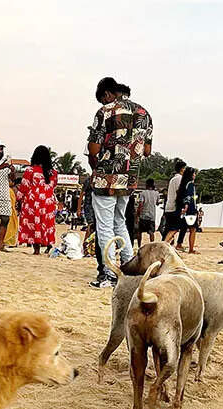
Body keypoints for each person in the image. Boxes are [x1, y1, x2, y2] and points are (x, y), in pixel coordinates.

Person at [88, 77, 152, 286]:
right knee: (120, 223)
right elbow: (148, 151)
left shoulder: (106, 111)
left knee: (105, 226)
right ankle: (129, 268)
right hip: (130, 177)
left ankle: (108, 273)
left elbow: (94, 149)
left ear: (106, 94)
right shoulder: (144, 113)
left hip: (106, 176)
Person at [17, 145, 58, 255]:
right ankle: (48, 244)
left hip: (33, 202)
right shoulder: (53, 173)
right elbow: (53, 187)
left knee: (35, 224)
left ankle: (36, 249)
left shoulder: (30, 171)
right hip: (48, 203)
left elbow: (24, 187)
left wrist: (18, 199)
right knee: (46, 223)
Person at [162, 160, 186, 248]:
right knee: (174, 228)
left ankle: (166, 245)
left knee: (168, 229)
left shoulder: (172, 179)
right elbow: (179, 193)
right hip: (175, 207)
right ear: (182, 169)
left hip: (169, 206)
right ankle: (164, 245)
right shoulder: (180, 179)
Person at [174, 167, 198, 253]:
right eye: (194, 173)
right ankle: (191, 249)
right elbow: (189, 196)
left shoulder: (184, 183)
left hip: (186, 209)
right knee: (193, 229)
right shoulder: (190, 184)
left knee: (183, 227)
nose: (195, 175)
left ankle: (179, 244)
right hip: (190, 209)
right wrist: (187, 206)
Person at [137, 178, 159, 246]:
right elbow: (157, 203)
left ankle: (139, 245)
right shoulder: (156, 193)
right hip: (152, 216)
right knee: (151, 232)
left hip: (143, 215)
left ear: (146, 184)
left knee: (139, 231)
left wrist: (138, 214)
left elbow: (141, 205)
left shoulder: (142, 193)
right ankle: (152, 246)